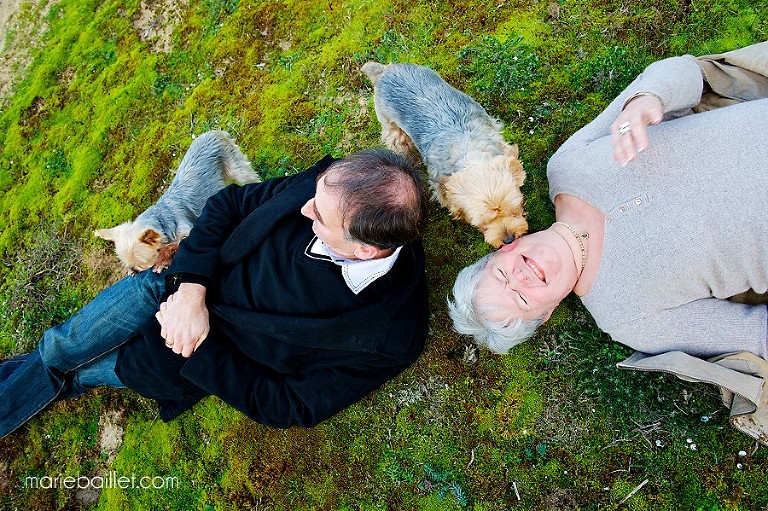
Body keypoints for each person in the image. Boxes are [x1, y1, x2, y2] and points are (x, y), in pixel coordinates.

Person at [0, 146, 429, 437]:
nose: (304, 209)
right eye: (314, 198)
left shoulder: (389, 335)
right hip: (166, 285)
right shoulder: (335, 187)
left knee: (73, 377)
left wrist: (194, 342)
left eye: (318, 215)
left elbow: (291, 406)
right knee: (57, 348)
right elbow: (228, 205)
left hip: (172, 358)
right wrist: (190, 291)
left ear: (367, 248)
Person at [450, 41, 768, 357]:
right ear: (545, 314)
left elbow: (687, 72)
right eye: (521, 300)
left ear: (499, 251)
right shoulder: (630, 319)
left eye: (501, 274)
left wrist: (648, 98)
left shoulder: (566, 166)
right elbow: (756, 336)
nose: (520, 278)